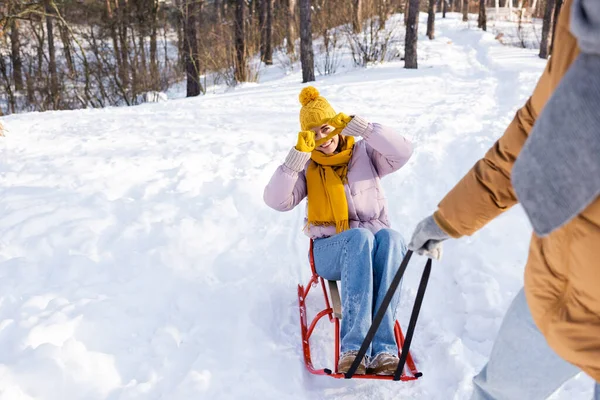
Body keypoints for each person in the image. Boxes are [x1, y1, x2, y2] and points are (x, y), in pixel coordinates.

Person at [408, 0, 600, 398]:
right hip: (555, 283)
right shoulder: (579, 18)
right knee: (495, 392)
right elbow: (534, 128)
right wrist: (448, 219)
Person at [264, 87, 413, 375]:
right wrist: (296, 158)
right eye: (313, 134)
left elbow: (403, 151)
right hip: (330, 252)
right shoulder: (307, 166)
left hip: (373, 248)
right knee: (359, 238)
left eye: (326, 128)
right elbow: (276, 201)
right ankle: (353, 348)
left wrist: (364, 128)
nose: (322, 139)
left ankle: (383, 349)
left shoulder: (365, 153)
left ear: (337, 123)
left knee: (392, 238)